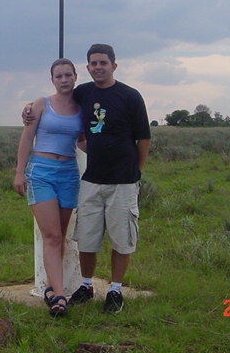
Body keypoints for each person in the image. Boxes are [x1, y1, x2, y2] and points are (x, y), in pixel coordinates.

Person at [25, 44, 151, 314]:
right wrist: (29, 109)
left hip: (123, 181)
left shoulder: (130, 96)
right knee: (87, 238)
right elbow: (57, 104)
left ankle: (115, 290)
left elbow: (144, 138)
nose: (98, 67)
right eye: (93, 63)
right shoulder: (84, 93)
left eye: (103, 63)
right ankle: (86, 285)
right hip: (91, 179)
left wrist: (135, 171)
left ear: (113, 65)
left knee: (121, 238)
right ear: (87, 68)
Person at [14, 58, 84, 317]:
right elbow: (27, 137)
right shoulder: (41, 104)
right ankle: (60, 296)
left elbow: (86, 141)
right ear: (52, 80)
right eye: (59, 76)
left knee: (60, 235)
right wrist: (20, 172)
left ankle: (52, 289)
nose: (64, 80)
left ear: (76, 76)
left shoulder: (82, 107)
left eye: (68, 75)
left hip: (68, 174)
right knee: (51, 236)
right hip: (41, 172)